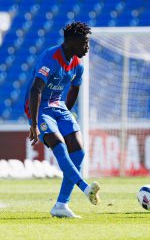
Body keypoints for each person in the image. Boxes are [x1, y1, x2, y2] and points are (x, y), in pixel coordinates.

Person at [24, 22, 100, 218]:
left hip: (58, 106)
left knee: (78, 150)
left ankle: (60, 205)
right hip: (40, 107)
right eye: (84, 42)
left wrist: (65, 116)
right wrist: (33, 124)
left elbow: (75, 89)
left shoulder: (78, 65)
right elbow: (35, 90)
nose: (87, 46)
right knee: (59, 145)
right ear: (72, 42)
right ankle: (84, 188)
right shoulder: (50, 58)